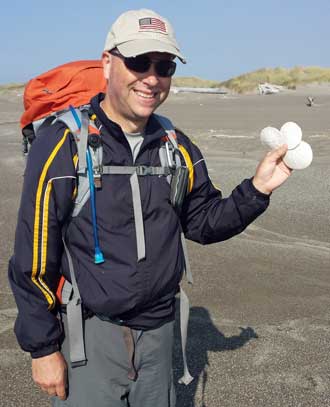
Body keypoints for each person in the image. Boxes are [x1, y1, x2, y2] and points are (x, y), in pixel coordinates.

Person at [8, 8, 291, 407]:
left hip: (159, 335)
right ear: (108, 63)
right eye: (139, 62)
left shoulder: (176, 146)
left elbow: (205, 222)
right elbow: (32, 255)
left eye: (165, 66)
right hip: (89, 338)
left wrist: (257, 189)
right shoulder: (62, 144)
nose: (153, 78)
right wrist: (42, 349)